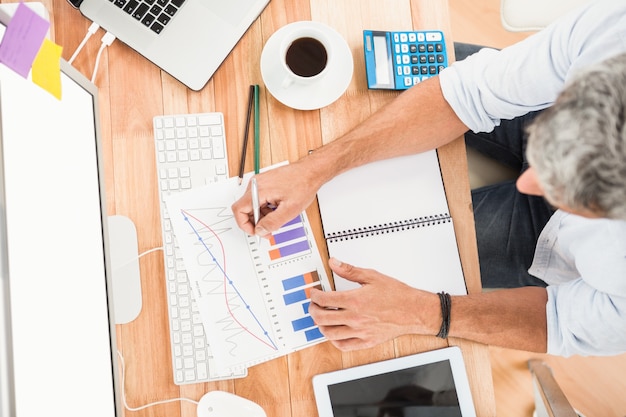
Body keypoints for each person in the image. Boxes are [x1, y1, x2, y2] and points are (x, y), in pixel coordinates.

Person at [231, 0, 626, 357]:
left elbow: (561, 323)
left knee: (379, 266)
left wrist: (428, 313)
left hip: (551, 241)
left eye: (572, 194)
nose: (529, 183)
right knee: (384, 74)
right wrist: (314, 168)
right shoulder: (612, 34)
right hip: (541, 103)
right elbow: (469, 93)